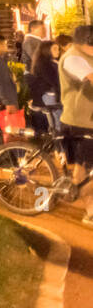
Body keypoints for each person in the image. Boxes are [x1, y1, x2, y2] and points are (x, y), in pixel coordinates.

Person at [57, 25, 93, 225]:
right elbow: (91, 77)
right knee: (84, 170)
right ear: (84, 43)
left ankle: (90, 210)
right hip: (79, 121)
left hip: (89, 120)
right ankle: (77, 197)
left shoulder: (87, 55)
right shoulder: (72, 58)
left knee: (84, 169)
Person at [27, 39, 61, 133]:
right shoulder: (45, 65)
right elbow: (55, 82)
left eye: (58, 49)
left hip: (52, 96)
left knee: (58, 123)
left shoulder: (52, 63)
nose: (57, 51)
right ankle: (58, 146)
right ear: (47, 50)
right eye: (54, 49)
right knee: (58, 124)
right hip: (51, 97)